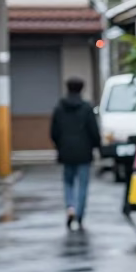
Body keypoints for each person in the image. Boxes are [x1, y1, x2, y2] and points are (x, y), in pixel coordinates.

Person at [50, 76, 100, 230]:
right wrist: (97, 146)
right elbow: (94, 131)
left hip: (66, 151)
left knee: (68, 182)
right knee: (83, 184)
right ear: (81, 89)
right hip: (84, 151)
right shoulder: (86, 108)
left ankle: (70, 207)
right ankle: (79, 213)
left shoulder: (59, 108)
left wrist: (60, 145)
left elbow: (53, 132)